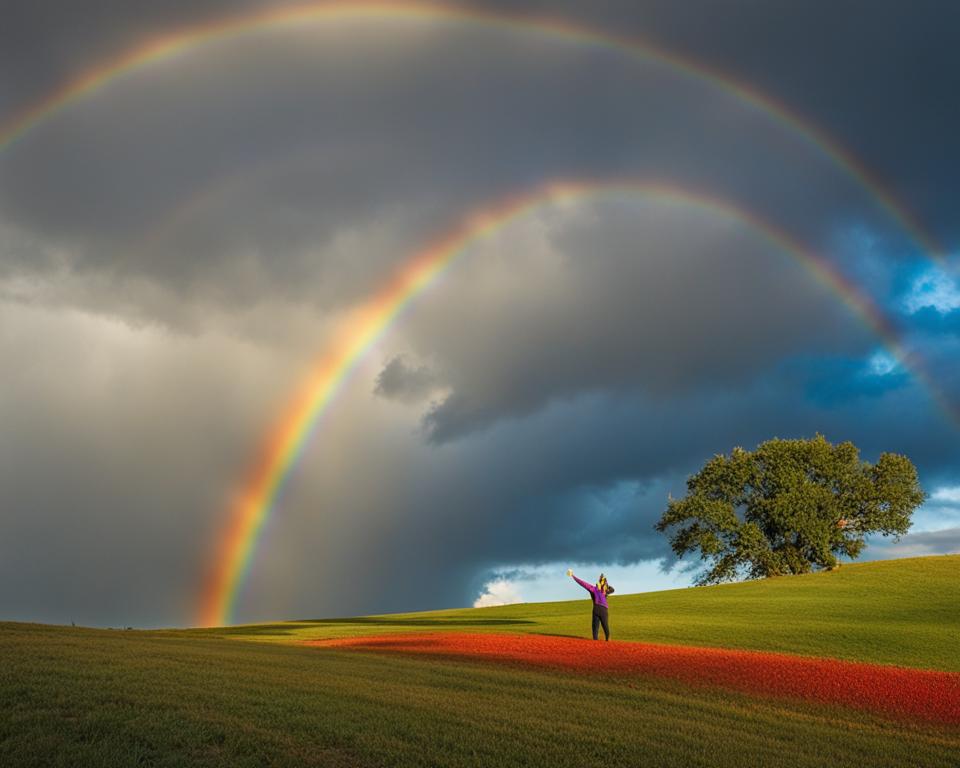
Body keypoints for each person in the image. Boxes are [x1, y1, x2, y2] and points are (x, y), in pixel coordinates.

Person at [567, 569, 614, 641]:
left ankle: (605, 639)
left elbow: (612, 589)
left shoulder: (601, 590)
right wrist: (573, 576)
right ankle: (599, 640)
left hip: (599, 610)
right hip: (600, 610)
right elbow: (582, 583)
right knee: (599, 626)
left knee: (601, 626)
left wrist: (605, 586)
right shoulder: (597, 589)